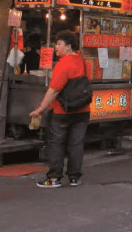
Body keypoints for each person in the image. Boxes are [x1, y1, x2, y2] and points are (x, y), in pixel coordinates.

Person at [30, 30, 91, 189]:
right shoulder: (84, 62)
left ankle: (54, 178)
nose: (56, 47)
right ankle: (74, 177)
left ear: (69, 46)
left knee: (56, 144)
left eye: (59, 44)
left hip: (62, 111)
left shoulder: (63, 64)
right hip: (83, 110)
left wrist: (40, 109)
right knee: (76, 144)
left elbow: (54, 90)